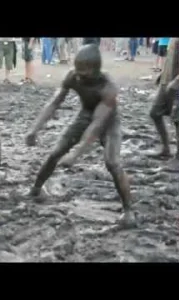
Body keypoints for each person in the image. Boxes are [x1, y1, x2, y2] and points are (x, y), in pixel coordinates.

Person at [24, 44, 135, 227]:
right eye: (77, 71)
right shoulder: (73, 76)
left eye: (84, 73)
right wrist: (34, 128)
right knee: (56, 152)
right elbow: (54, 103)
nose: (79, 76)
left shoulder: (108, 87)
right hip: (85, 114)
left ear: (95, 71)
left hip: (109, 122)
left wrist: (76, 154)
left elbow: (97, 125)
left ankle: (128, 210)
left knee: (112, 162)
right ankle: (36, 188)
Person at [148, 38, 179, 159]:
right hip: (166, 81)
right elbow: (172, 57)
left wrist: (177, 80)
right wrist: (162, 74)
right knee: (155, 113)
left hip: (176, 84)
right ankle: (166, 148)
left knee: (178, 119)